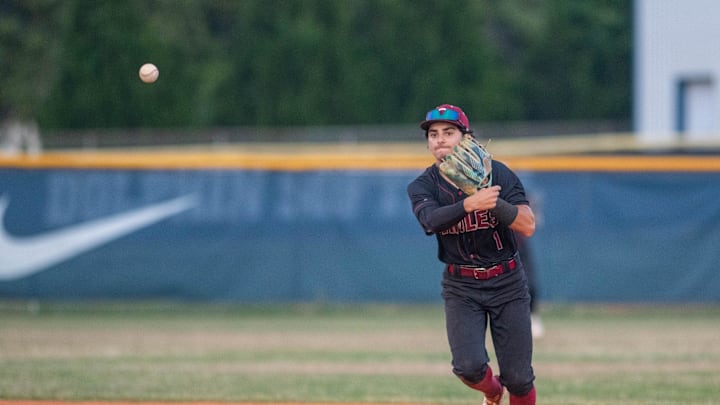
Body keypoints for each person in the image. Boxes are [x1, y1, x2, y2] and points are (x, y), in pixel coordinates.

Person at [407, 104, 537, 405]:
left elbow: (527, 225)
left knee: (518, 378)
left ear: (466, 137)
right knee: (467, 367)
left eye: (449, 133)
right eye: (433, 134)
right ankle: (492, 393)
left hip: (508, 283)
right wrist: (470, 203)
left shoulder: (498, 173)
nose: (439, 139)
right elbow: (430, 221)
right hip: (462, 285)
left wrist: (491, 200)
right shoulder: (423, 185)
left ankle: (506, 389)